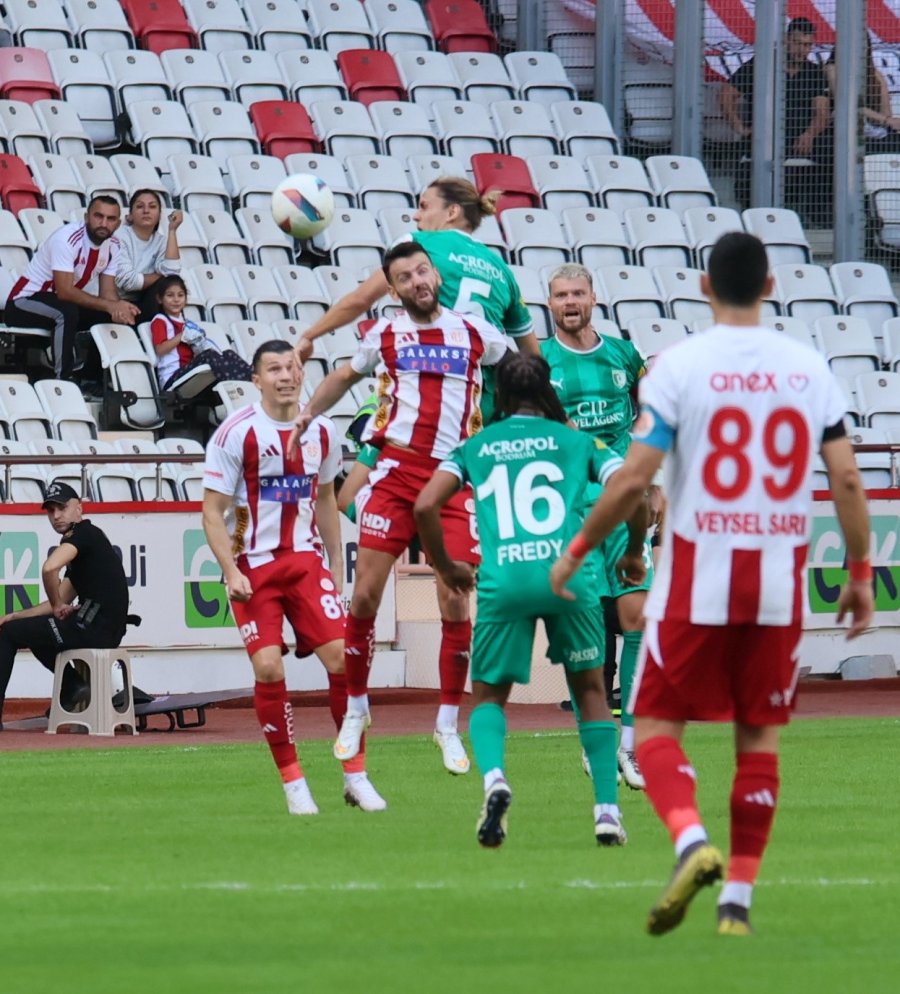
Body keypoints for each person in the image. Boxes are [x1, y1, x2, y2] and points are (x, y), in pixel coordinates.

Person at [550, 232, 874, 937]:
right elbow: (846, 476)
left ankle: (693, 842)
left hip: (698, 575)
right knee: (758, 743)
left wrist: (580, 548)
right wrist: (858, 573)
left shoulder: (680, 367)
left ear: (703, 287)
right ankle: (739, 904)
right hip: (779, 583)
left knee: (655, 733)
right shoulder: (806, 365)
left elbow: (634, 477)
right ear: (769, 286)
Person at [290, 240, 511, 775]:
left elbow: (522, 366)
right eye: (406, 277)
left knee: (456, 598)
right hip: (396, 470)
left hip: (454, 476)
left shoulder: (476, 332)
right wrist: (303, 418)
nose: (418, 281)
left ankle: (446, 724)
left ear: (435, 274)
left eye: (423, 271)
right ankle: (358, 708)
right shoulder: (384, 334)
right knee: (364, 594)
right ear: (393, 289)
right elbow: (344, 377)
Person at [414, 353, 648, 848]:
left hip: (506, 580)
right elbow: (633, 488)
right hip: (571, 578)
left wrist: (446, 563)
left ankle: (495, 779)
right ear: (548, 391)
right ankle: (607, 811)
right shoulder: (579, 441)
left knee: (489, 696)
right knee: (590, 694)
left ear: (499, 394)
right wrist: (631, 552)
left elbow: (424, 504)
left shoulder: (475, 446)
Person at [202, 339, 386, 815]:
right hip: (253, 569)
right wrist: (228, 570)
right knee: (268, 668)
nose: (285, 375)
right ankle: (293, 781)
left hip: (305, 564)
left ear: (303, 374)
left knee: (345, 664)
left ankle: (355, 775)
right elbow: (211, 513)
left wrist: (335, 566)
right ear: (256, 380)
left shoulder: (322, 431)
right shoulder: (234, 434)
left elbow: (325, 499)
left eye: (292, 367)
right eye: (274, 369)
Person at [541, 263, 653, 790]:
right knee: (588, 633)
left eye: (577, 293)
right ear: (549, 304)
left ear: (593, 297)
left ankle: (628, 746)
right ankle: (596, 739)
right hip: (572, 509)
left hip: (626, 502)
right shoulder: (539, 361)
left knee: (638, 619)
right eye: (560, 294)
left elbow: (647, 415)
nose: (569, 301)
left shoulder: (623, 356)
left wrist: (649, 478)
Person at [0, 480, 130, 729]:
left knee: (8, 636)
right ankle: (73, 687)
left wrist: (58, 605)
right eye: (51, 511)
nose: (56, 516)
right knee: (28, 629)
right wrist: (16, 615)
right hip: (102, 629)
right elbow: (57, 600)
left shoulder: (80, 534)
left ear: (78, 509)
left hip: (94, 630)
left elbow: (50, 568)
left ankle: (72, 686)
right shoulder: (87, 542)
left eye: (62, 508)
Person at [4, 195, 140, 384]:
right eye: (98, 216)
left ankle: (92, 380)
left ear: (117, 223)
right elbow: (65, 291)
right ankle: (63, 380)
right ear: (86, 217)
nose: (103, 223)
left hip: (62, 303)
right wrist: (110, 305)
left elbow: (107, 294)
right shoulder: (67, 238)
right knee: (66, 312)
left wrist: (118, 309)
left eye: (110, 219)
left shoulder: (113, 246)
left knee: (108, 314)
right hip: (23, 302)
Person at [719, 18, 833, 222]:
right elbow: (726, 95)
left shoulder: (814, 72)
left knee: (831, 149)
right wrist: (741, 128)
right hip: (765, 135)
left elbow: (822, 111)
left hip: (800, 137)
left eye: (807, 45)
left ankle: (818, 219)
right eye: (798, 43)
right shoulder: (762, 65)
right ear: (787, 41)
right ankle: (753, 215)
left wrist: (809, 134)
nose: (802, 50)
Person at [150, 275, 251, 392]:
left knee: (228, 354)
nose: (176, 300)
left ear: (186, 299)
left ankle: (253, 384)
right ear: (159, 299)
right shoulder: (160, 320)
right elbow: (160, 350)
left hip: (191, 373)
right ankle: (234, 388)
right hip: (172, 378)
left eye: (180, 295)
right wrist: (181, 336)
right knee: (209, 355)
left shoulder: (188, 323)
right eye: (170, 295)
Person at [824, 33, 900, 155]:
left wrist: (888, 121)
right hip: (845, 132)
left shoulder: (875, 75)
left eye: (862, 48)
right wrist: (886, 120)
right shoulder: (832, 69)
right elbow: (846, 103)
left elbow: (887, 113)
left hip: (875, 130)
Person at [115, 189, 183, 323]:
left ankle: (173, 336)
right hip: (116, 301)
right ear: (130, 215)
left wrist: (172, 230)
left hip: (143, 301)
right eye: (140, 206)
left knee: (168, 287)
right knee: (162, 283)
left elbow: (172, 273)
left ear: (159, 215)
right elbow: (129, 282)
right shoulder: (120, 236)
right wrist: (160, 275)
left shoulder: (161, 241)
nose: (146, 211)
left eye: (152, 206)